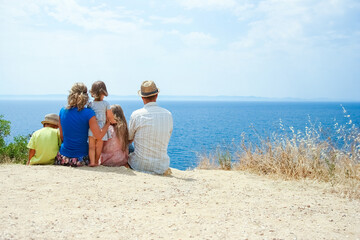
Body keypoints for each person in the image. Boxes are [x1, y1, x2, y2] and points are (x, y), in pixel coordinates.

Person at [55, 82, 110, 167]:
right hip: (81, 158)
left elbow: (61, 136)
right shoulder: (89, 113)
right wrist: (107, 124)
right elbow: (99, 136)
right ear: (85, 96)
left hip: (63, 157)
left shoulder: (62, 111)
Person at [128, 80, 173, 175]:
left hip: (139, 165)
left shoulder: (136, 115)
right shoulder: (168, 114)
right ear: (156, 95)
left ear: (142, 97)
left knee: (128, 146)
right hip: (161, 167)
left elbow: (128, 139)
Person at [88, 81, 114, 167]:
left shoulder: (90, 104)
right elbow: (110, 116)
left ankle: (91, 162)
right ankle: (96, 162)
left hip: (92, 127)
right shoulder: (106, 104)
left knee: (91, 146)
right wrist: (113, 122)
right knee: (98, 147)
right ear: (104, 92)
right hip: (102, 128)